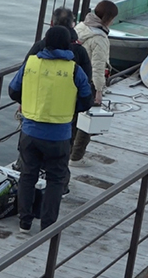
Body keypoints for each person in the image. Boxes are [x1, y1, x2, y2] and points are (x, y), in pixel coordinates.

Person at [8, 26, 92, 232]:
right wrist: (71, 109)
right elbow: (86, 99)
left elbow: (13, 90)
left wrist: (29, 105)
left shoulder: (31, 63)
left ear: (45, 42)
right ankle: (48, 225)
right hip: (59, 134)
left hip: (30, 131)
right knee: (55, 179)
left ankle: (24, 222)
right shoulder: (74, 69)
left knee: (28, 175)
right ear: (68, 44)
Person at [18, 7, 93, 192]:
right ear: (73, 24)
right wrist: (76, 107)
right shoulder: (80, 52)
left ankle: (25, 208)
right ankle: (60, 189)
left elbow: (22, 77)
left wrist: (24, 101)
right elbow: (87, 86)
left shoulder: (39, 48)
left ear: (51, 23)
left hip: (34, 113)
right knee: (60, 160)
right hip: (64, 117)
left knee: (28, 164)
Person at [70, 0, 119, 167]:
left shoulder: (81, 27)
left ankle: (67, 151)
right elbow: (98, 67)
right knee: (87, 121)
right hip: (88, 82)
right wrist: (99, 90)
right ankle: (76, 157)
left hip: (71, 79)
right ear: (108, 18)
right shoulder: (100, 38)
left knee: (71, 118)